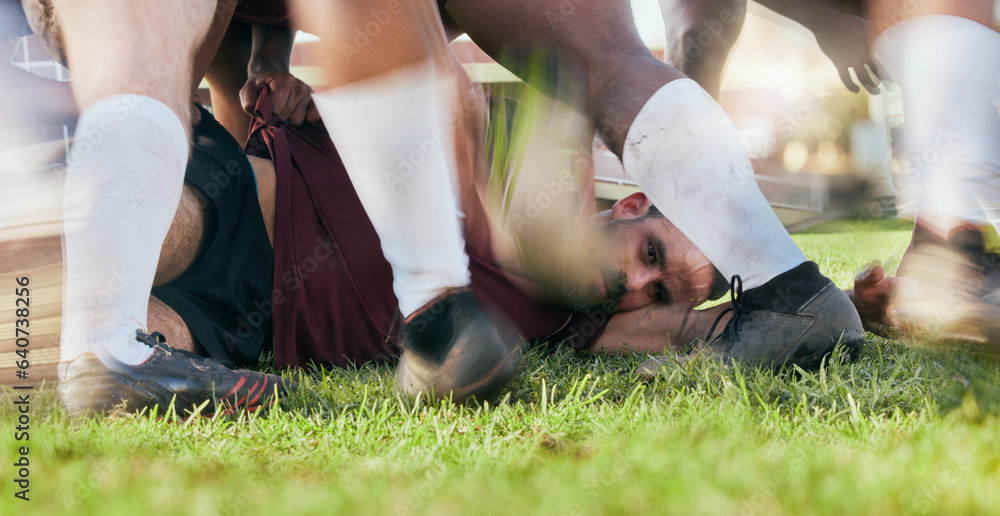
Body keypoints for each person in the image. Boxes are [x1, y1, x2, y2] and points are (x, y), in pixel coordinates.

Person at [10, 0, 293, 417]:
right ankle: (108, 341)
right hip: (240, 186)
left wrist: (266, 63)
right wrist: (132, 93)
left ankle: (108, 345)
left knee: (162, 328)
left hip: (253, 304)